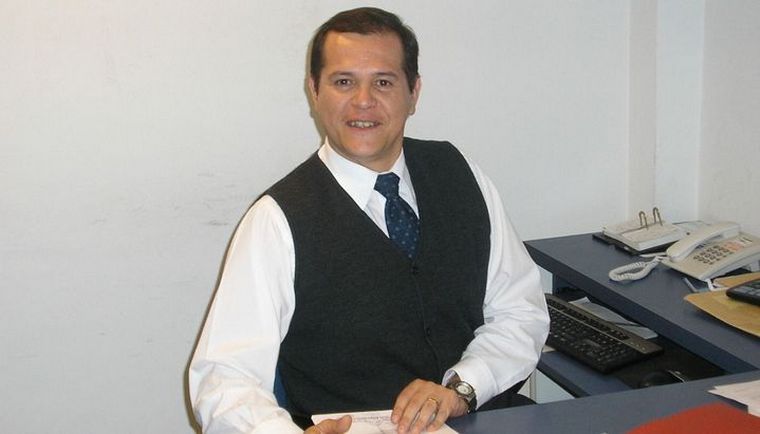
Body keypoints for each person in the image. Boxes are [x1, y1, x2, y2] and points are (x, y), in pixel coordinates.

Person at [188, 7, 549, 434]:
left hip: (483, 419)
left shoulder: (459, 172)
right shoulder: (276, 220)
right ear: (314, 91)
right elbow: (224, 379)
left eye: (383, 82)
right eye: (343, 82)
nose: (363, 101)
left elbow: (520, 311)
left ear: (413, 93)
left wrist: (463, 387)